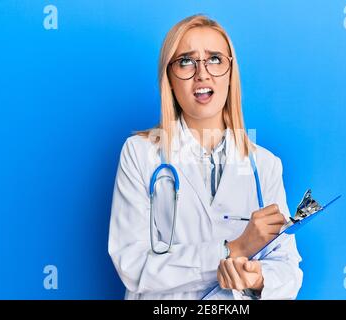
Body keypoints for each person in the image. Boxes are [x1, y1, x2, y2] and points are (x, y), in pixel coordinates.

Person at [108, 14, 303, 300]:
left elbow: (288, 270)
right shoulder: (140, 154)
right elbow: (133, 264)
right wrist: (231, 250)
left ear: (230, 72)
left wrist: (258, 279)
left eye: (214, 59)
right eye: (186, 61)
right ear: (170, 80)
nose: (202, 73)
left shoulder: (265, 165)